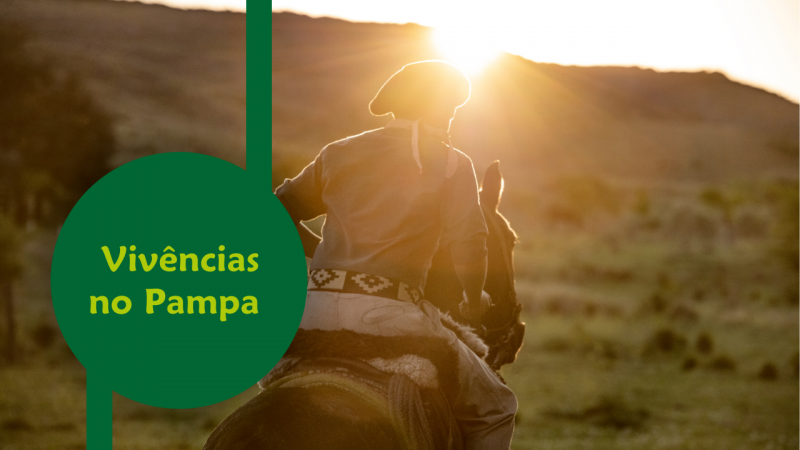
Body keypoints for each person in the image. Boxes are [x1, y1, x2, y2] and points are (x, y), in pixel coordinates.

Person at [274, 60, 517, 449]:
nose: (452, 119)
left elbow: (275, 213)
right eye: (452, 109)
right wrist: (473, 301)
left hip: (311, 309)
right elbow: (470, 243)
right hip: (390, 316)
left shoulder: (337, 152)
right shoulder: (452, 163)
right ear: (437, 107)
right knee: (497, 407)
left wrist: (320, 255)